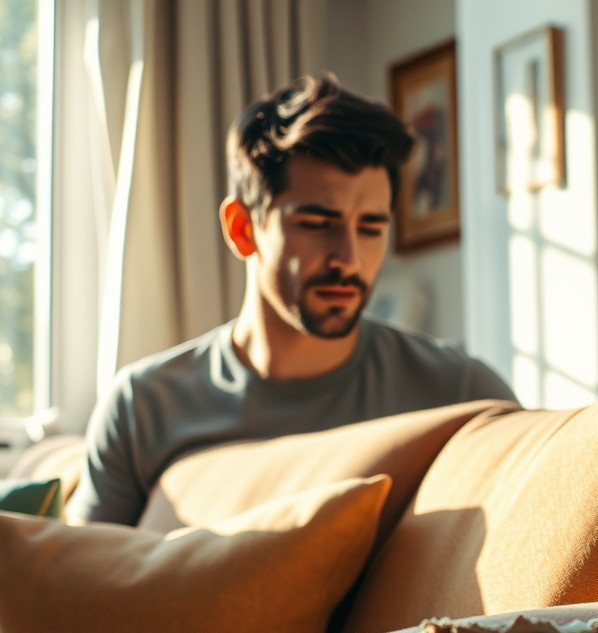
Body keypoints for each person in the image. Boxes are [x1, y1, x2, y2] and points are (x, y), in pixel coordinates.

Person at [67, 74, 516, 525]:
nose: (349, 259)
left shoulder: (461, 396)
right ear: (243, 229)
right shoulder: (142, 407)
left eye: (371, 228)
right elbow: (86, 586)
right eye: (319, 224)